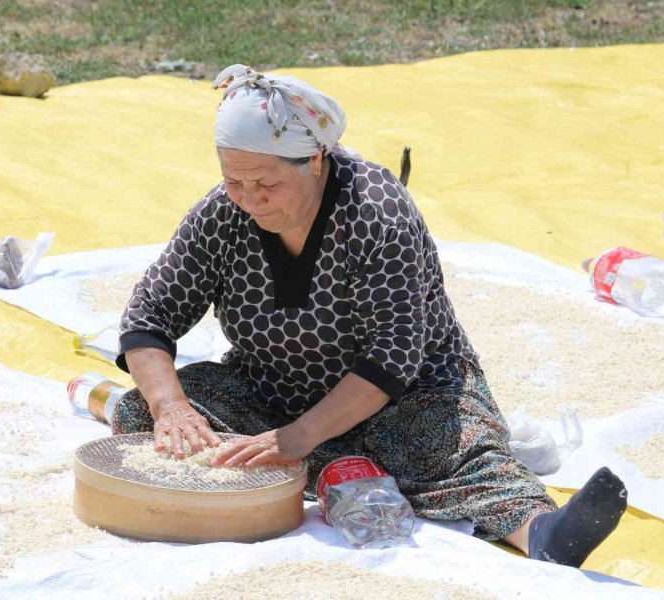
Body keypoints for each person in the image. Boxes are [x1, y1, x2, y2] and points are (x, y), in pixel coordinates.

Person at [113, 64, 627, 567]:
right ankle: (337, 468)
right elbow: (148, 318)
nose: (250, 199)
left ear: (314, 160)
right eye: (235, 181)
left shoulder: (376, 210)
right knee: (143, 412)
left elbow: (392, 358)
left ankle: (540, 532)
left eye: (266, 183)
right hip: (273, 391)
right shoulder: (221, 215)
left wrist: (299, 439)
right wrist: (171, 408)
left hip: (403, 395)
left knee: (451, 447)